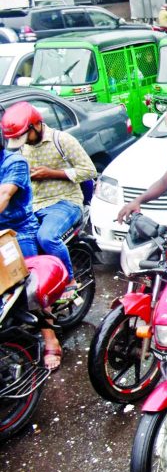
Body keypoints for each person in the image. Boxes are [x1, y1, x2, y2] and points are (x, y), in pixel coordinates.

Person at [3, 101, 95, 298]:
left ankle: (69, 281)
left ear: (36, 125)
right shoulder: (19, 150)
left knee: (46, 237)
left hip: (65, 202)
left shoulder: (62, 140)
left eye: (24, 136)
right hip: (34, 206)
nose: (23, 141)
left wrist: (52, 173)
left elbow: (89, 171)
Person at [0, 106, 62, 372]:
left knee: (30, 290)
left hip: (16, 232)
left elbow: (3, 197)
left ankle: (51, 340)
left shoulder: (14, 162)